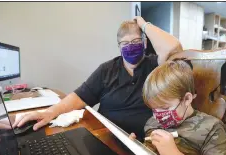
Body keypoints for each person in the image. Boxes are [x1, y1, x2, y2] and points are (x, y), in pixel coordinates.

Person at [13, 17, 183, 140]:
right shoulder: (106, 70)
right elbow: (79, 96)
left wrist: (143, 24)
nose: (131, 46)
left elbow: (173, 47)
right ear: (119, 48)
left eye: (136, 41)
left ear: (145, 43)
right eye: (125, 44)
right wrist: (49, 113)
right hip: (105, 138)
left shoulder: (156, 66)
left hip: (142, 143)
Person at [129, 60, 226, 155]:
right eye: (154, 109)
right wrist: (136, 149)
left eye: (165, 108)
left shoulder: (211, 128)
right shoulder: (152, 122)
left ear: (187, 99)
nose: (157, 116)